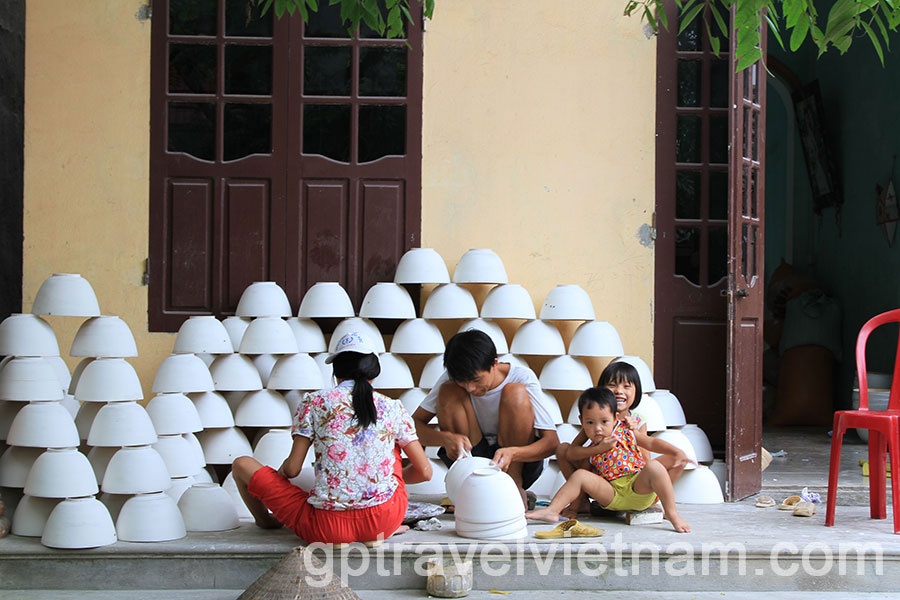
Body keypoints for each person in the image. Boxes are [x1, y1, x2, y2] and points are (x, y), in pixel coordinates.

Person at [232, 331, 432, 545]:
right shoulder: (393, 407)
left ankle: (266, 521)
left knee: (241, 464)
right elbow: (424, 472)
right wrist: (379, 480)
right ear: (374, 372)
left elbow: (293, 470)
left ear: (336, 370)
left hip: (326, 527)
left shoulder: (314, 403)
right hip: (384, 520)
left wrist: (279, 476)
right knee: (390, 445)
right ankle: (375, 528)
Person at [411, 329, 559, 509]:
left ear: (494, 363)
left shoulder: (522, 377)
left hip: (516, 462)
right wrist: (446, 439)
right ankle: (469, 487)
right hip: (473, 457)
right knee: (448, 391)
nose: (470, 388)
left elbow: (552, 443)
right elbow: (411, 427)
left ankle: (514, 486)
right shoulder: (454, 379)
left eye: (476, 380)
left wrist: (514, 453)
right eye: (463, 382)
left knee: (515, 392)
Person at [526, 387, 692, 533]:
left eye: (604, 421)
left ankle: (671, 513)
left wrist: (676, 451)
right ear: (581, 420)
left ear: (616, 418)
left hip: (637, 487)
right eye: (590, 422)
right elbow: (570, 453)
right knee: (581, 475)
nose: (597, 428)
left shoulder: (625, 430)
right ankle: (553, 510)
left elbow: (651, 442)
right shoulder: (594, 442)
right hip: (611, 494)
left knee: (654, 466)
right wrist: (597, 449)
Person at [556, 361, 686, 518]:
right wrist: (597, 450)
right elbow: (571, 452)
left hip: (631, 479)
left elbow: (645, 459)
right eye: (612, 385)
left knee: (672, 460)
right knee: (565, 450)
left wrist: (633, 432)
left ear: (636, 392)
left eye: (626, 386)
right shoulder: (594, 421)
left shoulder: (637, 421)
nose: (618, 391)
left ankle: (655, 500)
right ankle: (579, 501)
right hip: (603, 479)